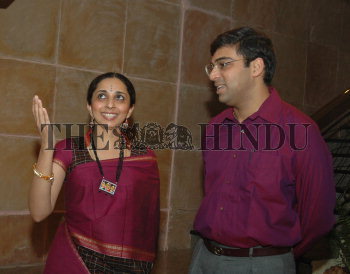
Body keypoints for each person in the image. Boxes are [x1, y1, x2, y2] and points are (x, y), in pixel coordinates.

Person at [189, 27, 336, 274]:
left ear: (256, 67)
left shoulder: (300, 131)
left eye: (223, 64)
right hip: (203, 258)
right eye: (211, 67)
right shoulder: (215, 127)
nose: (213, 75)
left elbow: (318, 217)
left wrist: (276, 256)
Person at [29, 72, 160, 273]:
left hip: (129, 267)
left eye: (119, 97)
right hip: (76, 261)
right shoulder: (70, 149)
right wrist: (47, 148)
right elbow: (39, 212)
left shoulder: (144, 158)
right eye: (101, 96)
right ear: (89, 106)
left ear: (130, 109)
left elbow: (146, 225)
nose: (110, 104)